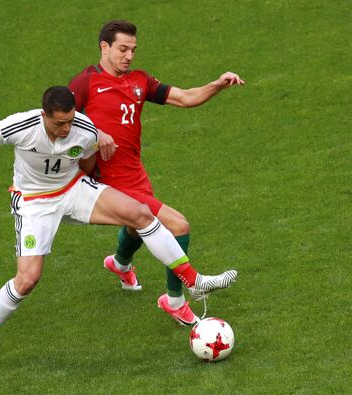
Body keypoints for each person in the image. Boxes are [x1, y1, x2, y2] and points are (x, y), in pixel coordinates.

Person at [0, 86, 237, 361]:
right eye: (59, 123)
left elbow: (88, 164)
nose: (67, 128)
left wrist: (96, 166)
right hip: (33, 203)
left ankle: (193, 281)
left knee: (141, 214)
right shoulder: (21, 126)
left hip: (72, 189)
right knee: (28, 279)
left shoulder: (84, 129)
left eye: (70, 120)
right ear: (44, 116)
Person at [68, 20, 245, 326]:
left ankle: (120, 263)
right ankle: (175, 301)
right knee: (178, 225)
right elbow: (58, 123)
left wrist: (217, 84)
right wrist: (94, 133)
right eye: (123, 49)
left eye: (133, 50)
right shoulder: (85, 83)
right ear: (104, 47)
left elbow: (185, 98)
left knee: (138, 227)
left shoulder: (140, 80)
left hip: (135, 174)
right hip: (107, 182)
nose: (129, 56)